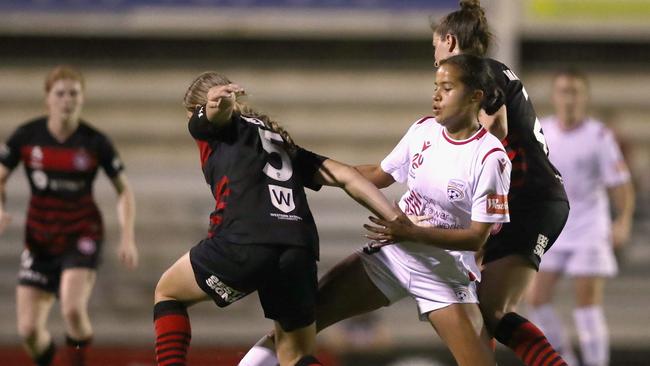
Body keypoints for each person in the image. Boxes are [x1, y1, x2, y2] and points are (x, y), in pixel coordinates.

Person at [239, 54, 512, 366]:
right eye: (435, 87)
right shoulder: (424, 130)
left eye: (447, 88)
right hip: (393, 256)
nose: (436, 95)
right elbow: (376, 175)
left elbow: (477, 238)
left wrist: (413, 232)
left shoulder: (490, 157)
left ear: (475, 96)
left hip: (443, 274)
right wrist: (297, 167)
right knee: (296, 325)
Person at [152, 71, 401, 366]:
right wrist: (396, 218)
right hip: (298, 247)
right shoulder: (280, 142)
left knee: (168, 292)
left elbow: (211, 116)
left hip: (244, 240)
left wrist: (215, 103)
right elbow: (347, 176)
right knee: (295, 355)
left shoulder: (214, 125)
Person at [429, 2, 574, 365]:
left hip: (533, 201)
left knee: (493, 310)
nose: (433, 56)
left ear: (449, 41)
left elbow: (497, 125)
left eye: (435, 46)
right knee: (479, 308)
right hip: (520, 203)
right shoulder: (485, 73)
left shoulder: (480, 73)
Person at [0, 65, 138, 366]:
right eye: (60, 93)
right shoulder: (27, 136)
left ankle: (77, 362)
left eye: (73, 93)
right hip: (39, 238)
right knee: (28, 331)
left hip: (81, 234)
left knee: (73, 310)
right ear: (47, 98)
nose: (67, 99)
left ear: (82, 98)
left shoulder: (95, 142)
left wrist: (127, 237)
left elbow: (124, 191)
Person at [528, 69, 635, 366]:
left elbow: (620, 184)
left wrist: (622, 220)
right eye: (564, 91)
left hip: (589, 228)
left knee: (587, 305)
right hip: (553, 228)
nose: (569, 99)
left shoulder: (599, 136)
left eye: (575, 92)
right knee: (536, 299)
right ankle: (566, 359)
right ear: (554, 96)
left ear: (585, 98)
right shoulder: (542, 132)